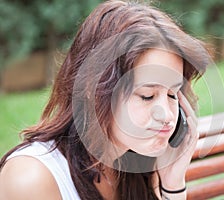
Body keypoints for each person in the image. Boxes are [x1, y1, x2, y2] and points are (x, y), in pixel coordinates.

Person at [0, 0, 211, 199]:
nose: (166, 115)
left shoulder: (141, 165)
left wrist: (173, 183)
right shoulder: (31, 178)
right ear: (95, 89)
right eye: (147, 96)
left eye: (172, 94)